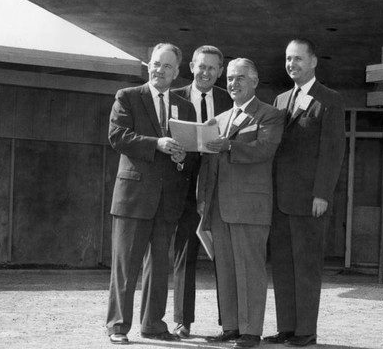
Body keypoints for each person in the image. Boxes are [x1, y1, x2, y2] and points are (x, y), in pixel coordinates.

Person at [105, 43, 197, 345]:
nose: (160, 70)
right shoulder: (128, 97)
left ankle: (153, 325)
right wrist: (157, 144)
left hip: (167, 199)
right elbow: (118, 136)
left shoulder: (186, 107)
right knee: (126, 267)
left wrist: (181, 156)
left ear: (177, 72)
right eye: (156, 64)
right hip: (133, 197)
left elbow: (190, 152)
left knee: (159, 267)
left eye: (167, 66)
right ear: (148, 65)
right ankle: (118, 326)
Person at [198, 58, 284, 348]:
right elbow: (209, 163)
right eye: (230, 79)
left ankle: (250, 331)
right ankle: (231, 327)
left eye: (240, 78)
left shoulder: (270, 115)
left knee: (250, 268)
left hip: (250, 207)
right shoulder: (218, 120)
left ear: (255, 82)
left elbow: (265, 149)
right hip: (218, 207)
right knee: (226, 269)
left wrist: (231, 145)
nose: (233, 84)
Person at [265, 38, 346, 347]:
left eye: (298, 58)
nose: (291, 64)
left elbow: (333, 151)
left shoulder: (330, 99)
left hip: (310, 201)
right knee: (283, 266)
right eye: (288, 59)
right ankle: (286, 328)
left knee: (307, 268)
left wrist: (322, 194)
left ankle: (305, 332)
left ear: (313, 62)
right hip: (280, 200)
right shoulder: (280, 99)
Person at [172, 45, 232, 338]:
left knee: (223, 253)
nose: (206, 72)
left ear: (220, 71)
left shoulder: (228, 99)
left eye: (212, 68)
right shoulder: (174, 98)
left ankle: (228, 323)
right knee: (185, 253)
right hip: (183, 186)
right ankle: (183, 321)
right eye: (201, 66)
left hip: (218, 188)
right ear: (191, 67)